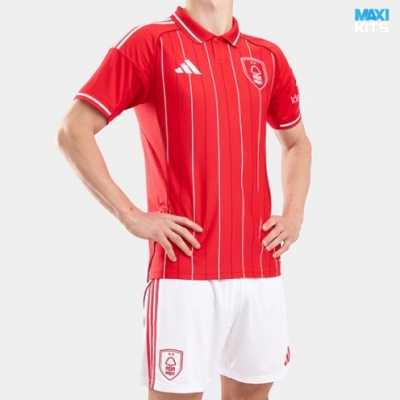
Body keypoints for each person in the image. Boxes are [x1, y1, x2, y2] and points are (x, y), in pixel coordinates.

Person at [56, 0, 312, 398]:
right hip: (183, 271)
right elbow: (74, 129)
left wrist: (293, 215)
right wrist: (130, 215)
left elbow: (296, 143)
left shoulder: (267, 56)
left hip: (260, 267)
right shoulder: (150, 43)